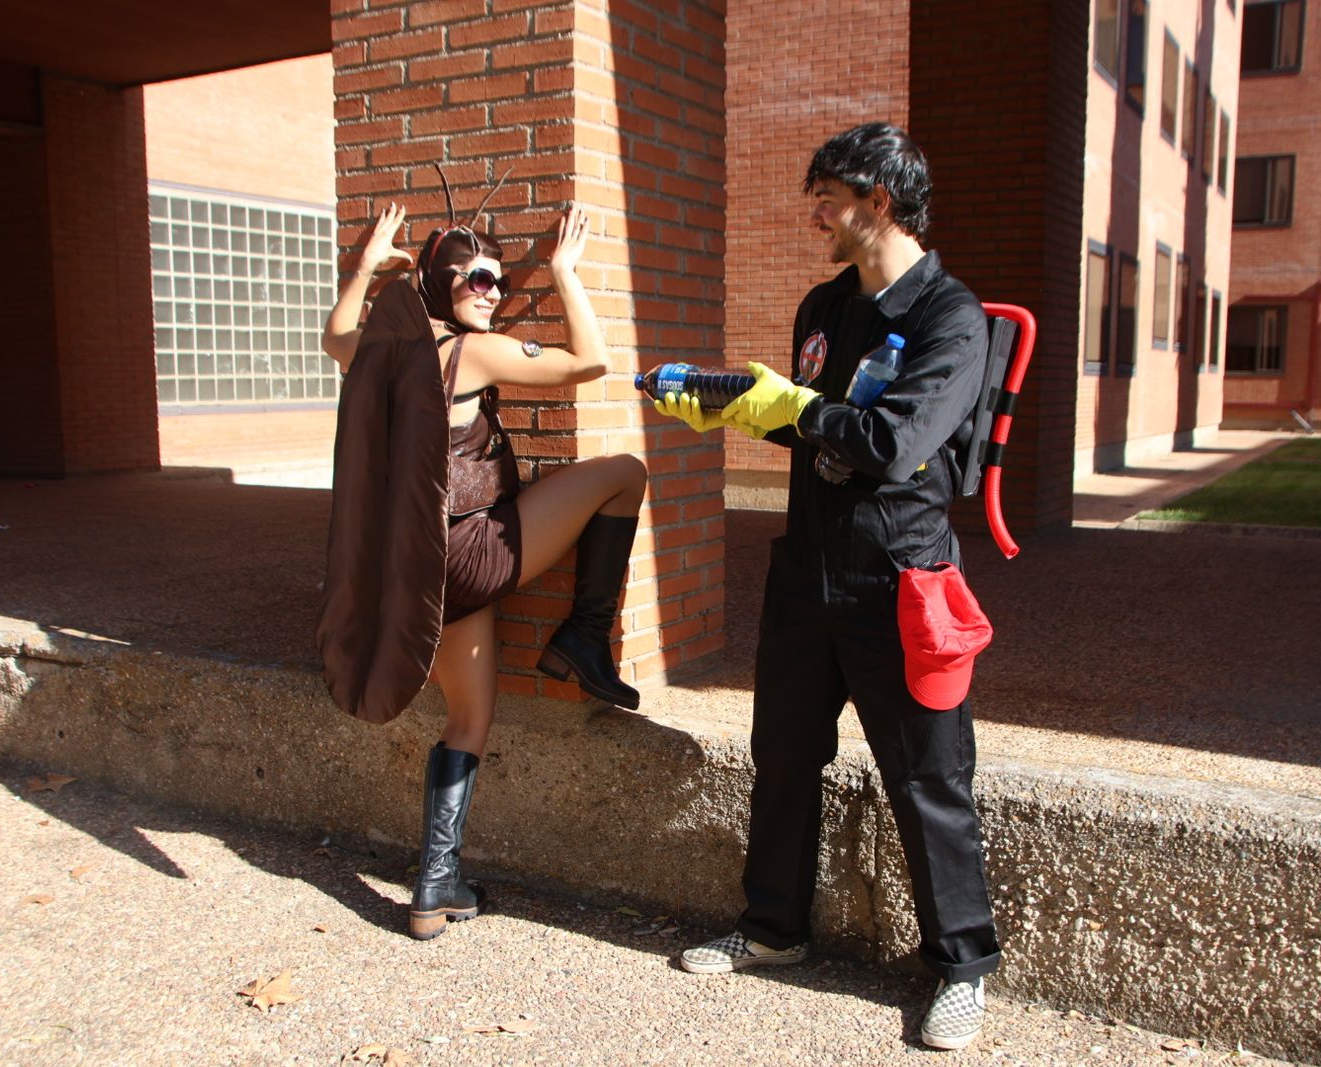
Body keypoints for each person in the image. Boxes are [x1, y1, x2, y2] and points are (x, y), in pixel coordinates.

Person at [656, 122, 1000, 1051]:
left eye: (828, 199)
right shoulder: (823, 306)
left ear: (878, 202)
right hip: (806, 570)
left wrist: (798, 409)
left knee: (928, 776)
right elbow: (814, 423)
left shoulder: (950, 318)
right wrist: (735, 409)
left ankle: (962, 966)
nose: (816, 215)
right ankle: (774, 926)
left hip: (900, 579)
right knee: (783, 755)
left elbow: (894, 442)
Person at [318, 177, 647, 942]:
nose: (492, 291)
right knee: (626, 474)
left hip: (416, 570)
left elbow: (334, 337)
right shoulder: (473, 352)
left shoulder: (380, 353)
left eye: (498, 279)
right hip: (471, 551)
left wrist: (365, 266)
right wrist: (562, 271)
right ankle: (584, 635)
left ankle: (433, 888)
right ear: (442, 285)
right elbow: (590, 362)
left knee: (470, 716)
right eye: (477, 279)